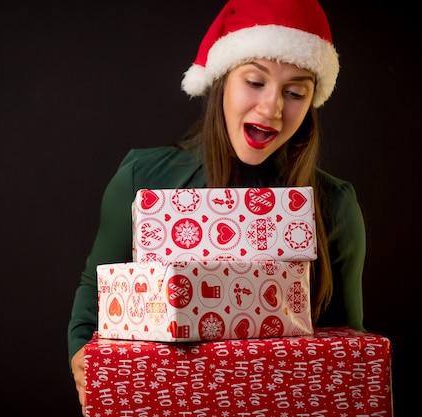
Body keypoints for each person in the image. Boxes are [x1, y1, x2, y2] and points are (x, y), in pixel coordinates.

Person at [67, 0, 366, 414]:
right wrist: (86, 358)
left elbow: (346, 348)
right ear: (223, 80)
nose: (272, 108)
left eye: (295, 92)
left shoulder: (333, 205)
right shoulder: (144, 179)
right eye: (255, 82)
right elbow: (95, 290)